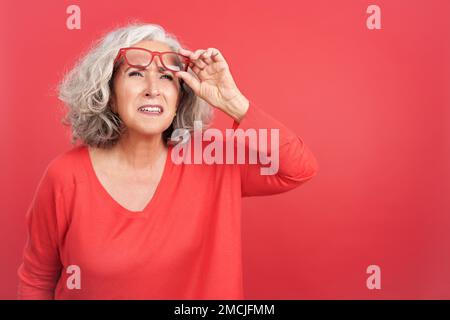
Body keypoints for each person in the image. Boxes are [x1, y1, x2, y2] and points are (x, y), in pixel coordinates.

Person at [17, 23, 319, 299]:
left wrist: (234, 103)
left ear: (179, 98)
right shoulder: (65, 176)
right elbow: (37, 279)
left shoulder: (214, 157)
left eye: (167, 77)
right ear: (109, 93)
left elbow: (298, 168)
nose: (153, 88)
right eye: (135, 73)